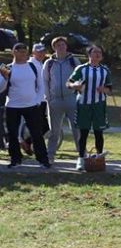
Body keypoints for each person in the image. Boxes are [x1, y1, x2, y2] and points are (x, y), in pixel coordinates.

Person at [0, 42, 51, 168]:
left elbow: (40, 86)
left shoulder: (33, 66)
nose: (22, 53)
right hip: (12, 106)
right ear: (13, 52)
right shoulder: (7, 68)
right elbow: (1, 89)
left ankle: (43, 160)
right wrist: (5, 78)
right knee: (12, 134)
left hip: (32, 106)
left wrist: (37, 101)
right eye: (19, 51)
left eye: (24, 51)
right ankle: (15, 159)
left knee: (36, 133)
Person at [67, 45, 112, 170]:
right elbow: (69, 83)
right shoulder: (81, 68)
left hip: (99, 104)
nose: (97, 54)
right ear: (89, 55)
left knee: (99, 132)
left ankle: (99, 158)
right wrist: (75, 86)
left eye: (100, 52)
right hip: (83, 104)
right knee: (84, 132)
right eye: (95, 52)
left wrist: (104, 89)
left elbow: (109, 88)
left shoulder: (105, 70)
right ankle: (81, 159)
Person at [43, 36, 81, 164]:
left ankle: (82, 155)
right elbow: (45, 81)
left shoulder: (74, 61)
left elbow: (82, 78)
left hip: (72, 99)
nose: (61, 47)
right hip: (55, 101)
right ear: (54, 47)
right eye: (58, 45)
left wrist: (79, 93)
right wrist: (49, 98)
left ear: (66, 46)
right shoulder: (49, 63)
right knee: (54, 131)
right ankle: (50, 156)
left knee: (77, 129)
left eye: (63, 45)